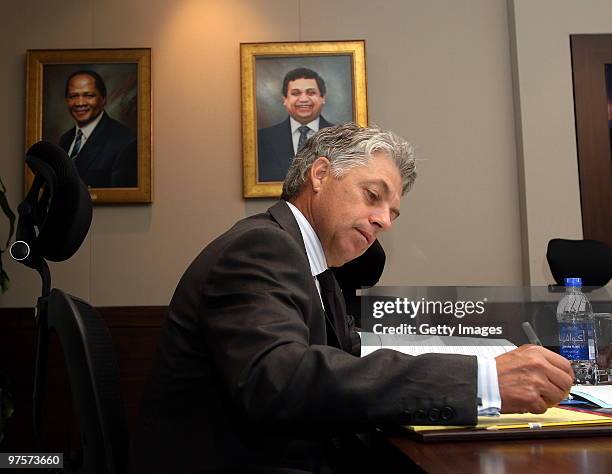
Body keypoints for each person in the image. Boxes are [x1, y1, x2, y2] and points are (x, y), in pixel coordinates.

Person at [132, 123, 573, 473]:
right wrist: (484, 380)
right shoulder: (261, 247)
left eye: (392, 212)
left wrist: (481, 357)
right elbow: (281, 380)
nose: (383, 220)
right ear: (320, 175)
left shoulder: (316, 266)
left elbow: (346, 357)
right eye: (373, 196)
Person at [58, 70, 137, 188]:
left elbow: (122, 198)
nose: (80, 103)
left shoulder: (125, 141)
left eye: (88, 95)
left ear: (103, 99)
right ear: (67, 100)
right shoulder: (64, 140)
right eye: (73, 96)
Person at [257, 67, 334, 182]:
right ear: (285, 99)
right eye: (295, 93)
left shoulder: (340, 137)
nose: (303, 99)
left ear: (322, 98)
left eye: (311, 92)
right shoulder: (262, 139)